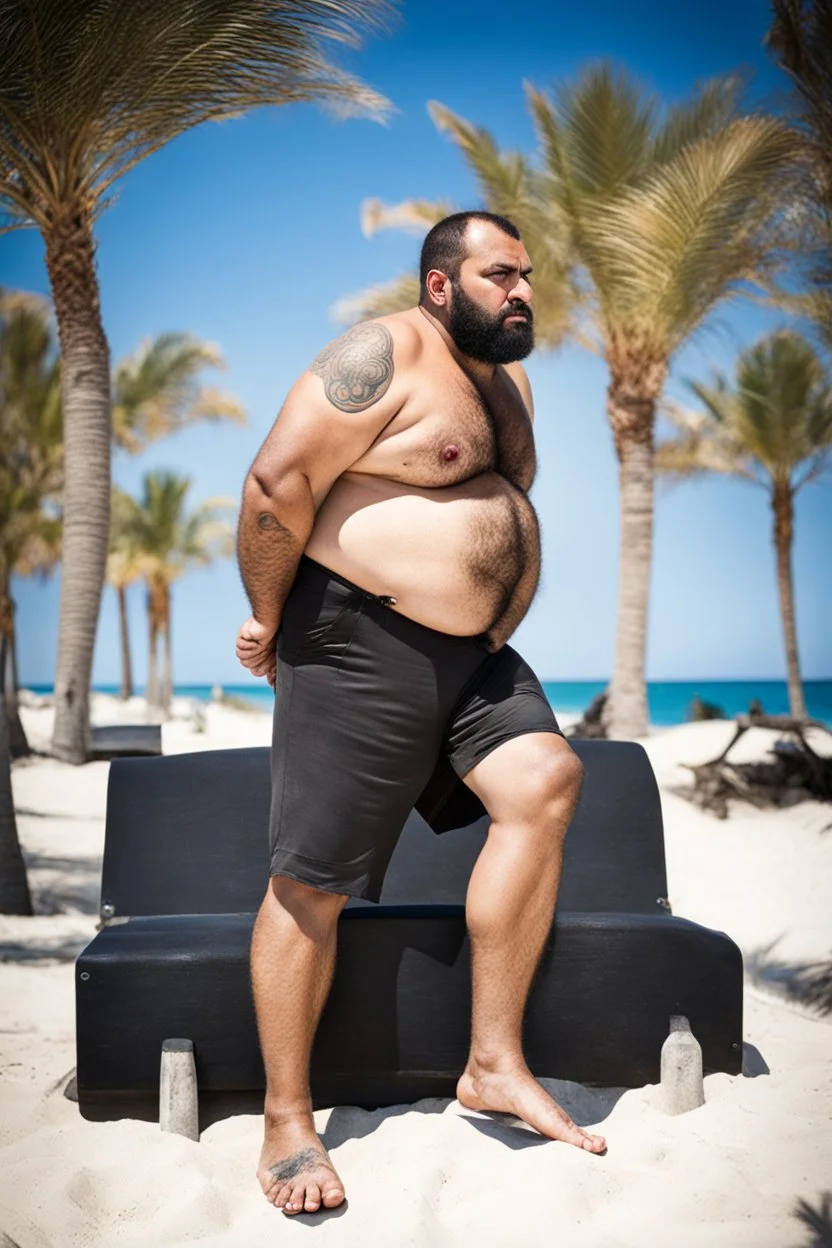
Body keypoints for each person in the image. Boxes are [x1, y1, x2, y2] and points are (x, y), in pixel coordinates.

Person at [236, 210, 606, 1217]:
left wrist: (494, 605)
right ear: (441, 284)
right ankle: (285, 1122)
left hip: (469, 656)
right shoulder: (380, 355)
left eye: (526, 274)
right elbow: (276, 484)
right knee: (314, 883)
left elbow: (494, 501)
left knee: (546, 780)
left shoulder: (507, 381)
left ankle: (492, 1062)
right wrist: (269, 620)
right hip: (356, 639)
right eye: (499, 275)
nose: (521, 290)